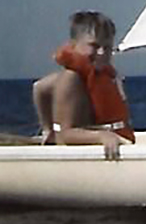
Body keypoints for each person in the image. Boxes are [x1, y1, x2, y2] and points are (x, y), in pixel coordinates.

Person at [33, 11, 135, 160]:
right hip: (74, 154)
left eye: (107, 47)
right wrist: (102, 136)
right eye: (94, 45)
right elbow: (67, 134)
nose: (101, 52)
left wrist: (47, 129)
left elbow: (40, 87)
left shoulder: (99, 75)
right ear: (74, 45)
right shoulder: (71, 79)